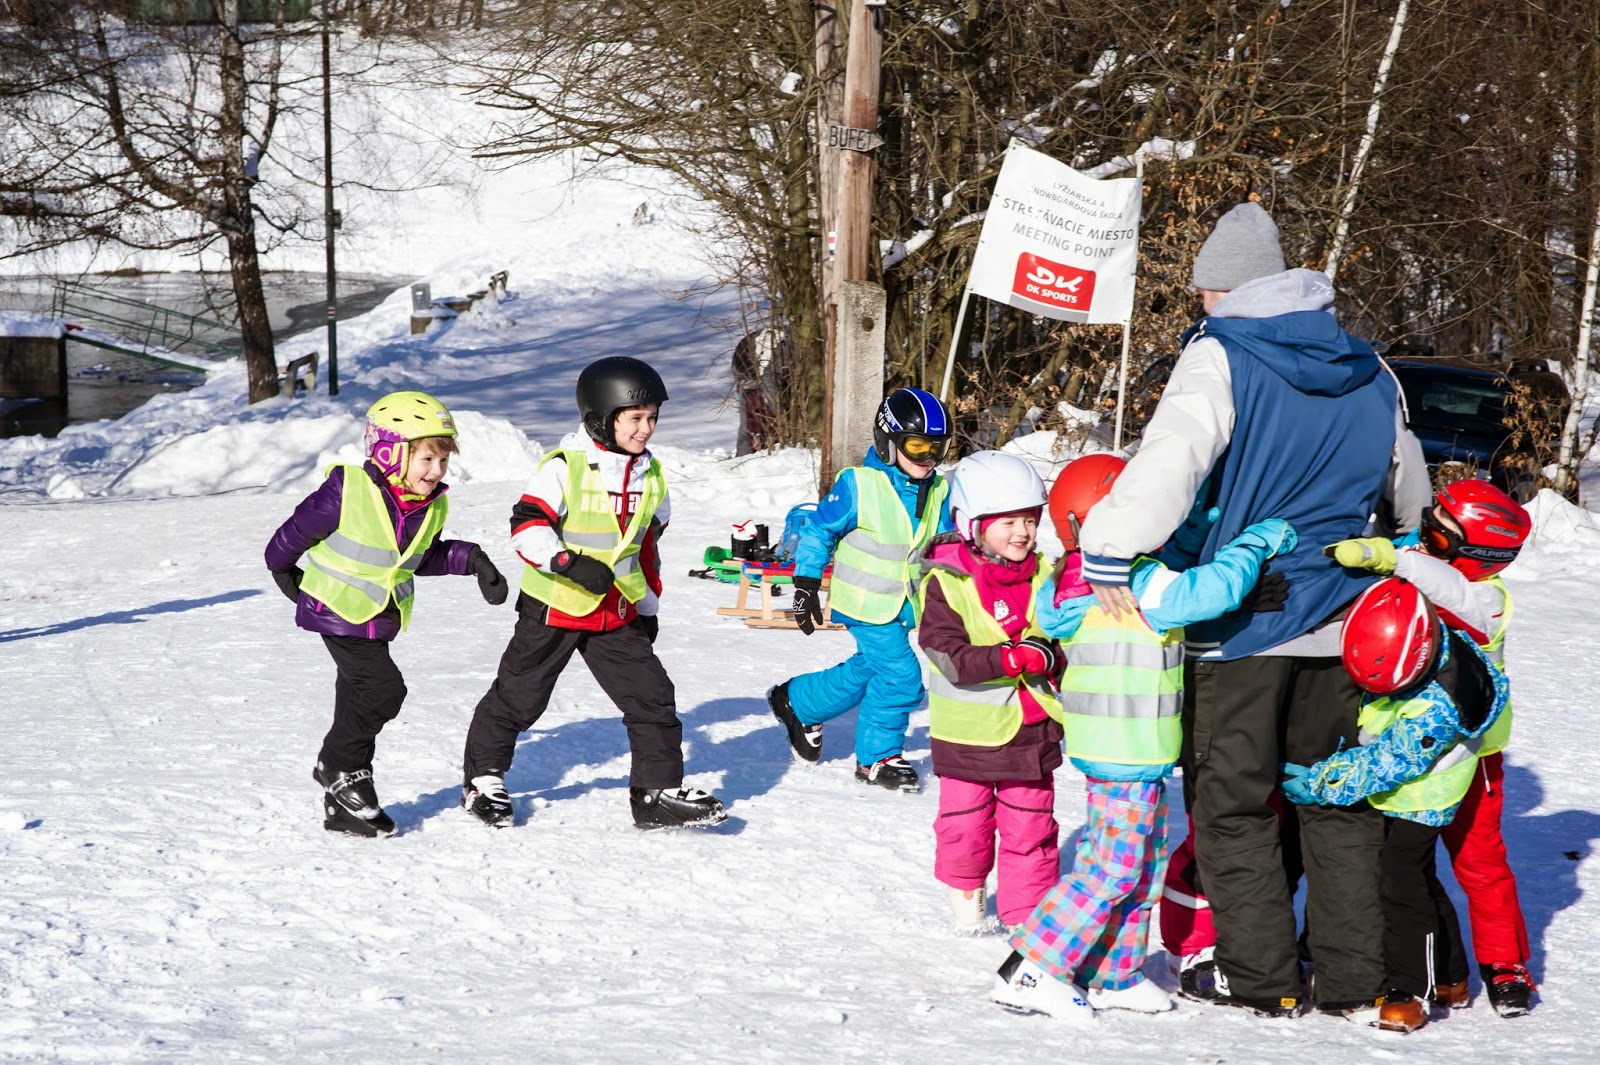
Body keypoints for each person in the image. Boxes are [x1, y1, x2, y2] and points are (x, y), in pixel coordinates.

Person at [1072, 201, 1430, 1018]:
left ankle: (1260, 979)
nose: (1201, 307)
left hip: (1244, 623)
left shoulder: (1221, 353)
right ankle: (1349, 980)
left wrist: (1110, 543)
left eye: (1204, 293)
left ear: (1223, 289)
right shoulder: (1373, 369)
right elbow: (1408, 494)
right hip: (1344, 623)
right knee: (1333, 800)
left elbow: (1174, 459)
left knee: (1230, 804)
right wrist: (1391, 545)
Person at [992, 454, 1297, 1020]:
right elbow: (1208, 591)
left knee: (1143, 863)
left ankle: (1115, 972)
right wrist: (1253, 542)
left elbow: (1175, 568)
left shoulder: (1075, 579)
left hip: (1126, 750)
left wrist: (1201, 523)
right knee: (1110, 869)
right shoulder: (1134, 581)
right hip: (1125, 750)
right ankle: (1029, 968)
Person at [460, 356, 726, 830]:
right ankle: (483, 780)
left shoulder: (653, 477)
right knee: (519, 698)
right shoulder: (565, 468)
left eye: (653, 419)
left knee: (652, 697)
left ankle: (656, 793)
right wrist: (567, 562)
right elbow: (526, 528)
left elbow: (643, 549)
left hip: (614, 611)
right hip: (554, 606)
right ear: (601, 418)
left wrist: (647, 607)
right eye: (636, 419)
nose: (646, 429)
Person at [1324, 479, 1535, 1016]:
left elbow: (1447, 587)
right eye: (1427, 525)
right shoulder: (1427, 566)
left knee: (1478, 861)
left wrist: (1389, 556)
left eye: (1440, 539)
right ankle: (1446, 973)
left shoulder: (1486, 598)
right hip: (1415, 745)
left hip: (1473, 751)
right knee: (1407, 862)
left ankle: (1505, 964)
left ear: (1481, 555)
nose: (1424, 540)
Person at [265, 391, 508, 837]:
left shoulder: (428, 505)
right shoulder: (348, 490)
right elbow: (291, 534)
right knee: (383, 691)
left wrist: (471, 559)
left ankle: (347, 802)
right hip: (335, 608)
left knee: (356, 698)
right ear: (390, 452)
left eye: (442, 463)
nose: (436, 472)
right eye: (427, 460)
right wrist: (283, 570)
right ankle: (337, 764)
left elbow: (420, 556)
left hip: (379, 614)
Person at [1283, 577, 1508, 1033]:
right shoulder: (1434, 640)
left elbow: (1391, 761)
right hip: (1412, 789)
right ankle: (1451, 977)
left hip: (1421, 798)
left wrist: (1324, 781)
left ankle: (1413, 989)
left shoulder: (1439, 704)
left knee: (1401, 888)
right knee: (1420, 879)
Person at [767, 387, 953, 792]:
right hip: (865, 604)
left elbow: (945, 543)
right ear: (889, 442)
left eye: (937, 447)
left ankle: (799, 701)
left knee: (869, 668)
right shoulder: (858, 484)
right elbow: (818, 530)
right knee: (903, 678)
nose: (929, 458)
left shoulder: (939, 489)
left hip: (904, 606)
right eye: (917, 446)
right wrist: (806, 584)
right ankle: (877, 758)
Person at [917, 451, 1063, 931]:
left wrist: (1053, 656)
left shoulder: (1048, 575)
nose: (1022, 531)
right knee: (964, 825)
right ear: (972, 524)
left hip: (1031, 730)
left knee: (1031, 827)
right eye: (1008, 522)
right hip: (967, 735)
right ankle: (968, 905)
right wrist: (1007, 658)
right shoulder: (949, 581)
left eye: (1029, 519)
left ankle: (1027, 922)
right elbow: (944, 651)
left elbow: (1068, 639)